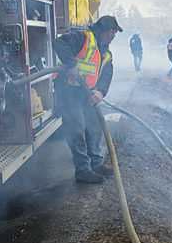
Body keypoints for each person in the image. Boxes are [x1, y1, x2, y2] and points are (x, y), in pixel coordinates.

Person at [52, 15, 122, 183]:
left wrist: (101, 92)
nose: (114, 35)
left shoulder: (106, 50)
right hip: (68, 89)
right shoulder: (84, 37)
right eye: (113, 31)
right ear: (105, 30)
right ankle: (83, 170)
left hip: (87, 92)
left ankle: (96, 164)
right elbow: (59, 42)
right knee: (76, 127)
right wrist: (71, 64)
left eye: (115, 32)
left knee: (94, 126)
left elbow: (107, 73)